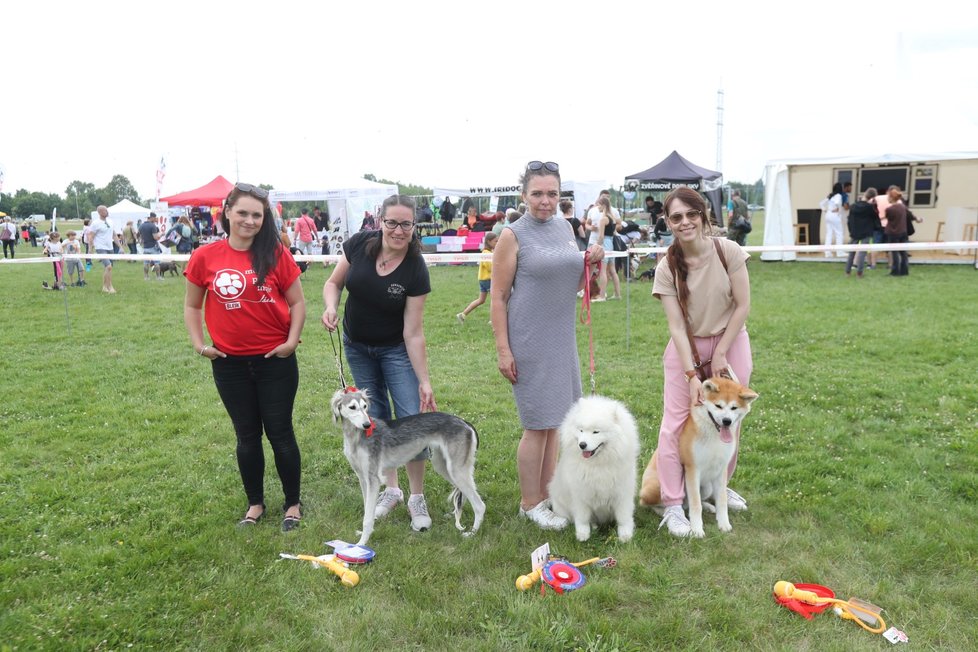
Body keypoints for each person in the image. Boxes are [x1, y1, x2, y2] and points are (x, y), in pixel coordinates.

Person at [183, 182, 306, 532]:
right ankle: (255, 504)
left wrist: (292, 342)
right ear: (227, 212)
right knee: (246, 436)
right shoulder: (204, 257)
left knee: (280, 433)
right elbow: (192, 306)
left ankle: (292, 503)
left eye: (257, 214)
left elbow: (298, 303)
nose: (250, 220)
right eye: (243, 213)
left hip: (276, 361)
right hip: (229, 364)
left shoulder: (276, 254)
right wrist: (199, 345)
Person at [491, 160, 606, 530]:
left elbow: (571, 283)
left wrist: (591, 265)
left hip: (561, 338)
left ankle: (547, 495)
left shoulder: (565, 227)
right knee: (536, 425)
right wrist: (503, 350)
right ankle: (529, 503)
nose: (545, 200)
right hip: (528, 340)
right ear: (523, 195)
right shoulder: (512, 235)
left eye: (552, 193)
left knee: (556, 424)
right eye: (537, 193)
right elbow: (498, 297)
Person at [322, 194, 437, 533]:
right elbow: (333, 283)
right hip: (357, 347)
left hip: (396, 350)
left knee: (411, 421)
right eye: (392, 222)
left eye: (406, 224)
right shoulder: (359, 244)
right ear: (379, 221)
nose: (398, 230)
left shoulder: (416, 268)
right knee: (375, 420)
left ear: (414, 226)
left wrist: (424, 381)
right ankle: (392, 489)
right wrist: (330, 306)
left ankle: (416, 496)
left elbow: (413, 332)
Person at [650, 186, 753, 537]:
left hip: (731, 338)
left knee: (731, 419)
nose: (685, 222)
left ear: (704, 215)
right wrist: (693, 374)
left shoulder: (729, 251)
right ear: (668, 222)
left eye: (691, 214)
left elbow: (742, 305)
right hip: (686, 348)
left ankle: (717, 487)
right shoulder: (667, 267)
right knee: (675, 423)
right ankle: (673, 503)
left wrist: (722, 351)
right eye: (676, 217)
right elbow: (676, 326)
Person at [456, 231, 498, 323]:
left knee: (481, 300)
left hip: (483, 279)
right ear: (489, 241)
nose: (497, 243)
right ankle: (492, 320)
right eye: (496, 241)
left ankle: (462, 315)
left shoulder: (488, 252)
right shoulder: (486, 253)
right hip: (488, 279)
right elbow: (490, 267)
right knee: (494, 300)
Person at [588, 195, 622, 301]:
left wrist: (596, 246)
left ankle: (602, 296)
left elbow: (601, 236)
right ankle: (617, 294)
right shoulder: (612, 218)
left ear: (603, 205)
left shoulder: (603, 219)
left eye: (599, 205)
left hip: (605, 244)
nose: (597, 207)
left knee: (603, 271)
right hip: (611, 243)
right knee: (612, 270)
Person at [88, 206, 123, 293]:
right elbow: (91, 236)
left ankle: (104, 287)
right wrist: (90, 248)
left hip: (110, 247)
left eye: (107, 210)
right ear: (100, 212)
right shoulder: (95, 223)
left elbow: (114, 235)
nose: (107, 212)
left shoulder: (110, 221)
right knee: (109, 266)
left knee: (107, 268)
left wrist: (120, 246)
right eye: (105, 210)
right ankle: (110, 286)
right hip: (100, 247)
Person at [845, 188, 879, 278]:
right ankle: (859, 273)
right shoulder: (870, 207)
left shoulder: (853, 206)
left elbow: (849, 220)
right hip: (866, 232)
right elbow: (876, 218)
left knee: (851, 253)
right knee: (862, 253)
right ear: (872, 198)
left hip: (855, 232)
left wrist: (851, 230)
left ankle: (847, 272)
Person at [884, 185, 909, 276]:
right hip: (903, 232)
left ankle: (895, 271)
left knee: (894, 253)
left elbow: (889, 219)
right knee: (903, 253)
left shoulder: (889, 209)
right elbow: (909, 214)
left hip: (893, 233)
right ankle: (904, 271)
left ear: (891, 197)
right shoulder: (902, 207)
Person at [823, 183, 845, 257]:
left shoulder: (830, 196)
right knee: (839, 233)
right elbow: (837, 203)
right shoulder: (838, 195)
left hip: (828, 215)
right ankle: (840, 252)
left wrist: (825, 210)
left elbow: (821, 203)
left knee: (829, 233)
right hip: (835, 216)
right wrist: (838, 210)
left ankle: (827, 253)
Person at [139, 213, 163, 280]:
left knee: (146, 263)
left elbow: (139, 236)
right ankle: (158, 277)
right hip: (153, 247)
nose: (156, 219)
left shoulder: (141, 226)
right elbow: (155, 237)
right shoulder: (153, 226)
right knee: (157, 263)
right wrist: (161, 234)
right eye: (155, 218)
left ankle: (146, 277)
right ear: (151, 217)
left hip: (146, 247)